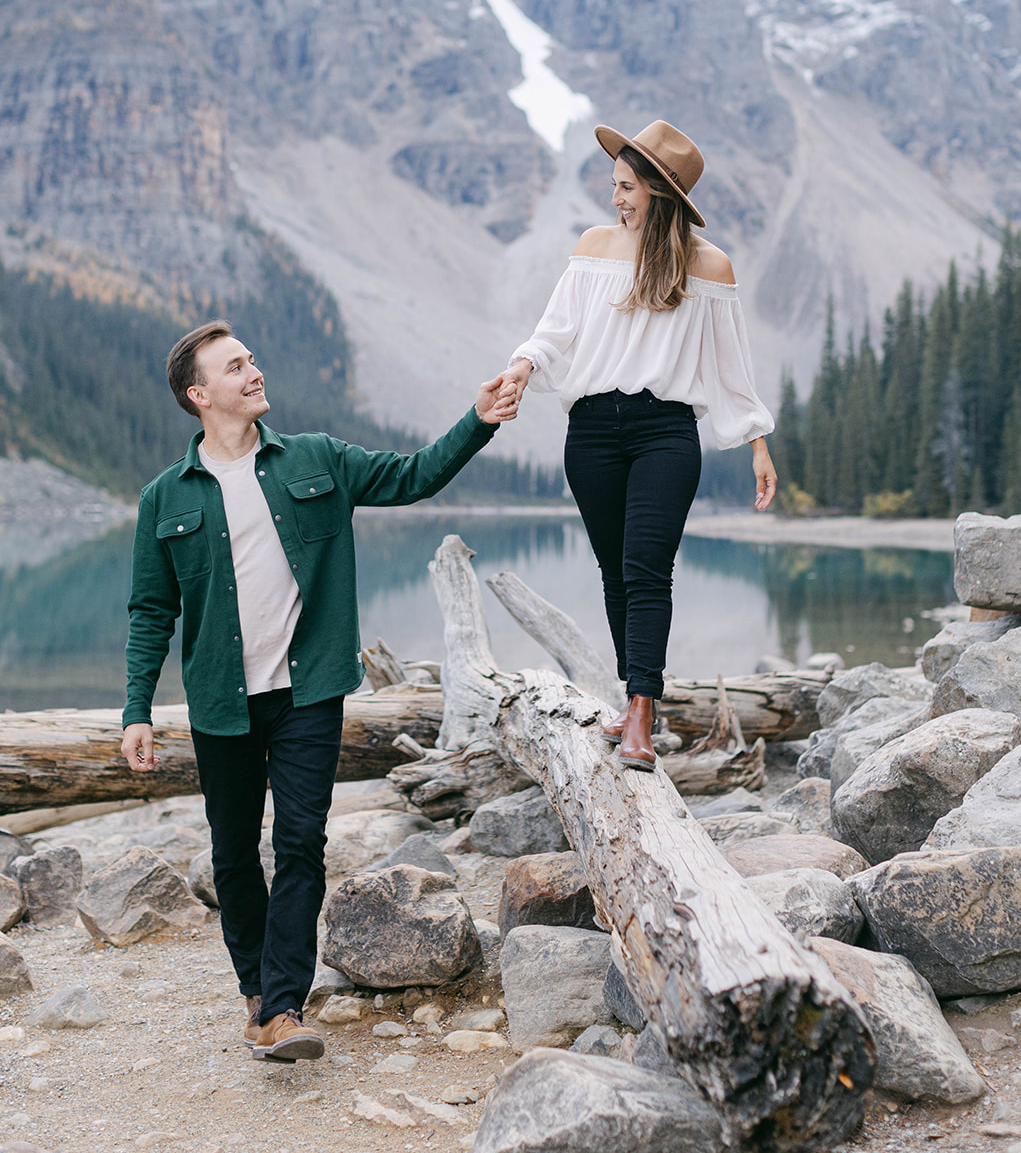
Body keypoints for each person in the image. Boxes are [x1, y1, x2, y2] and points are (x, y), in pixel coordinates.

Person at [121, 320, 516, 1062]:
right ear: (199, 394)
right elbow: (151, 611)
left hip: (308, 691)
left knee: (300, 842)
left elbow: (413, 476)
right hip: (221, 700)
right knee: (235, 853)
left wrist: (478, 421)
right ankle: (256, 993)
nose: (255, 371)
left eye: (253, 359)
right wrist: (136, 709)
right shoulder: (165, 497)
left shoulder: (318, 458)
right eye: (236, 367)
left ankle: (282, 1009)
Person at [501, 120, 776, 771]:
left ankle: (641, 718)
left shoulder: (709, 266)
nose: (615, 197)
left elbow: (731, 366)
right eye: (614, 184)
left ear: (658, 190)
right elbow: (555, 333)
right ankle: (632, 702)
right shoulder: (594, 247)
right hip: (591, 432)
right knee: (614, 574)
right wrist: (520, 365)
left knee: (647, 570)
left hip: (665, 434)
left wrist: (756, 442)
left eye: (625, 186)